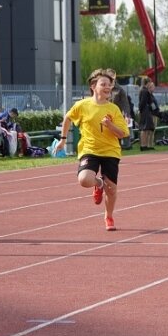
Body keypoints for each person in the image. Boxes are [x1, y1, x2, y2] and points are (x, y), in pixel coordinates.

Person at [54, 68, 129, 231]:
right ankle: (98, 183)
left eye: (109, 85)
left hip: (110, 151)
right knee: (84, 179)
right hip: (89, 149)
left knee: (112, 189)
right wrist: (63, 140)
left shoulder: (113, 109)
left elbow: (123, 133)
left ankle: (109, 217)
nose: (108, 87)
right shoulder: (82, 105)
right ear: (93, 86)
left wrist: (110, 125)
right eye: (104, 84)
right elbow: (67, 118)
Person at [137, 78, 159, 151]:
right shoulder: (144, 91)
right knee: (144, 129)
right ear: (147, 83)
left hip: (145, 111)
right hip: (145, 112)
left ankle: (145, 145)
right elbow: (143, 102)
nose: (151, 84)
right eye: (150, 82)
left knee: (146, 129)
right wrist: (142, 110)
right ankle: (143, 145)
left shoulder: (144, 91)